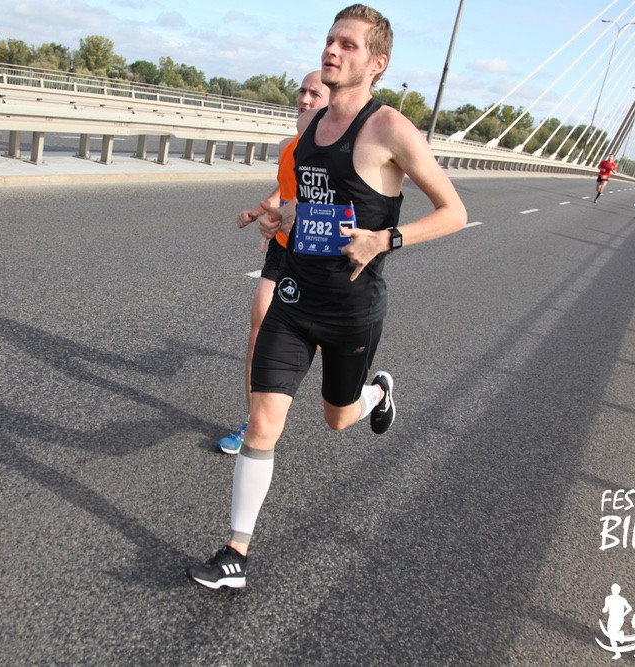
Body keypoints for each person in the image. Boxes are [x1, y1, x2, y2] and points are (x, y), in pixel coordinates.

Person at [187, 3, 467, 590]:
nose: (332, 50)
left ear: (376, 63)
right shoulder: (312, 127)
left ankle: (377, 392)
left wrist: (385, 238)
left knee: (337, 419)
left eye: (348, 44)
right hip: (294, 296)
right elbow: (314, 203)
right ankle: (236, 552)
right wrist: (281, 216)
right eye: (330, 40)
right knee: (263, 422)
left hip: (351, 309)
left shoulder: (389, 128)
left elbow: (455, 212)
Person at [216, 72, 331, 455]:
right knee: (258, 330)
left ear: (332, 101)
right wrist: (261, 210)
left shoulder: (340, 151)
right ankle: (253, 421)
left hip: (320, 255)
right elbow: (287, 187)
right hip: (283, 249)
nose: (305, 99)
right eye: (302, 91)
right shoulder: (288, 146)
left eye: (315, 93)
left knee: (335, 390)